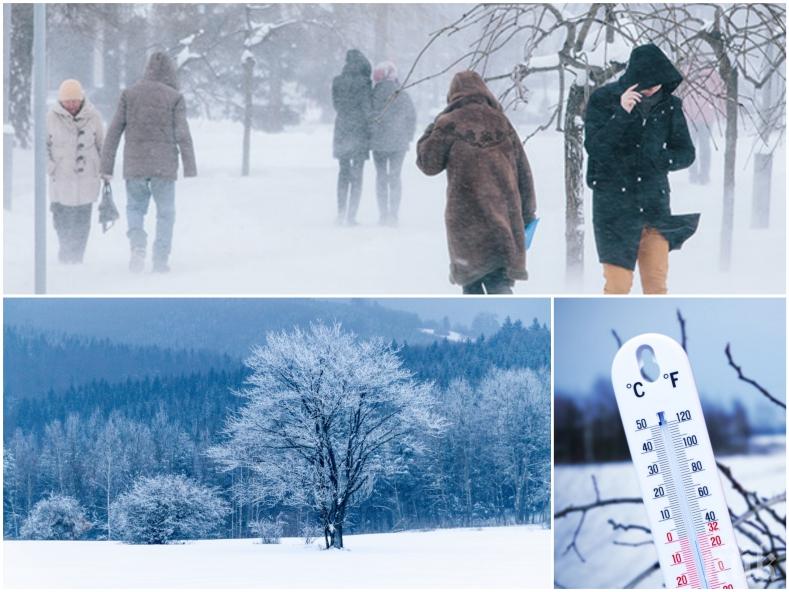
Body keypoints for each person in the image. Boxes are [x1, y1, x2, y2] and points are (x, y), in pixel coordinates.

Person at [584, 43, 698, 295]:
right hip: (613, 210)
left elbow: (686, 153)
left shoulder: (670, 106)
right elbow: (596, 148)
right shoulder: (603, 99)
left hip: (654, 209)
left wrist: (661, 159)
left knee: (656, 286)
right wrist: (622, 113)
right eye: (646, 85)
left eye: (658, 83)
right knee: (618, 286)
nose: (652, 89)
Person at [416, 71, 536, 295]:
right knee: (500, 285)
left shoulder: (448, 123)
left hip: (466, 224)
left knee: (472, 288)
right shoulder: (502, 122)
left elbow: (428, 163)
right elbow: (524, 173)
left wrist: (431, 129)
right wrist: (527, 214)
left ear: (453, 95)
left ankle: (484, 329)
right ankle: (505, 326)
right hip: (503, 219)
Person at [100, 51, 197, 273]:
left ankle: (137, 245)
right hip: (164, 167)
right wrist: (189, 166)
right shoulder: (174, 97)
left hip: (135, 166)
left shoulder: (129, 94)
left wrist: (106, 166)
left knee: (135, 208)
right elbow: (183, 133)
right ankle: (161, 258)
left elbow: (114, 130)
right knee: (166, 213)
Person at [47, 79, 105, 264]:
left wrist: (103, 170)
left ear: (81, 99)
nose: (71, 104)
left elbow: (101, 145)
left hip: (86, 178)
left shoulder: (93, 116)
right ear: (61, 101)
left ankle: (78, 257)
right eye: (67, 101)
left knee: (82, 222)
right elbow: (43, 147)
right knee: (62, 221)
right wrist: (51, 167)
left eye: (75, 100)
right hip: (61, 179)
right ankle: (65, 255)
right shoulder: (50, 118)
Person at [370, 61, 416, 226]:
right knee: (395, 177)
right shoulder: (402, 94)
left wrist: (372, 134)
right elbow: (411, 116)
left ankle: (383, 215)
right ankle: (394, 215)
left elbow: (369, 116)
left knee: (381, 177)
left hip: (378, 143)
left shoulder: (373, 94)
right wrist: (408, 136)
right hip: (399, 143)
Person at [332, 49, 372, 226]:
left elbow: (336, 104)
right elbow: (366, 108)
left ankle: (340, 212)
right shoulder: (364, 83)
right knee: (357, 175)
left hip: (341, 128)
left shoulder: (337, 81)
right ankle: (351, 215)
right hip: (359, 131)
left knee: (343, 172)